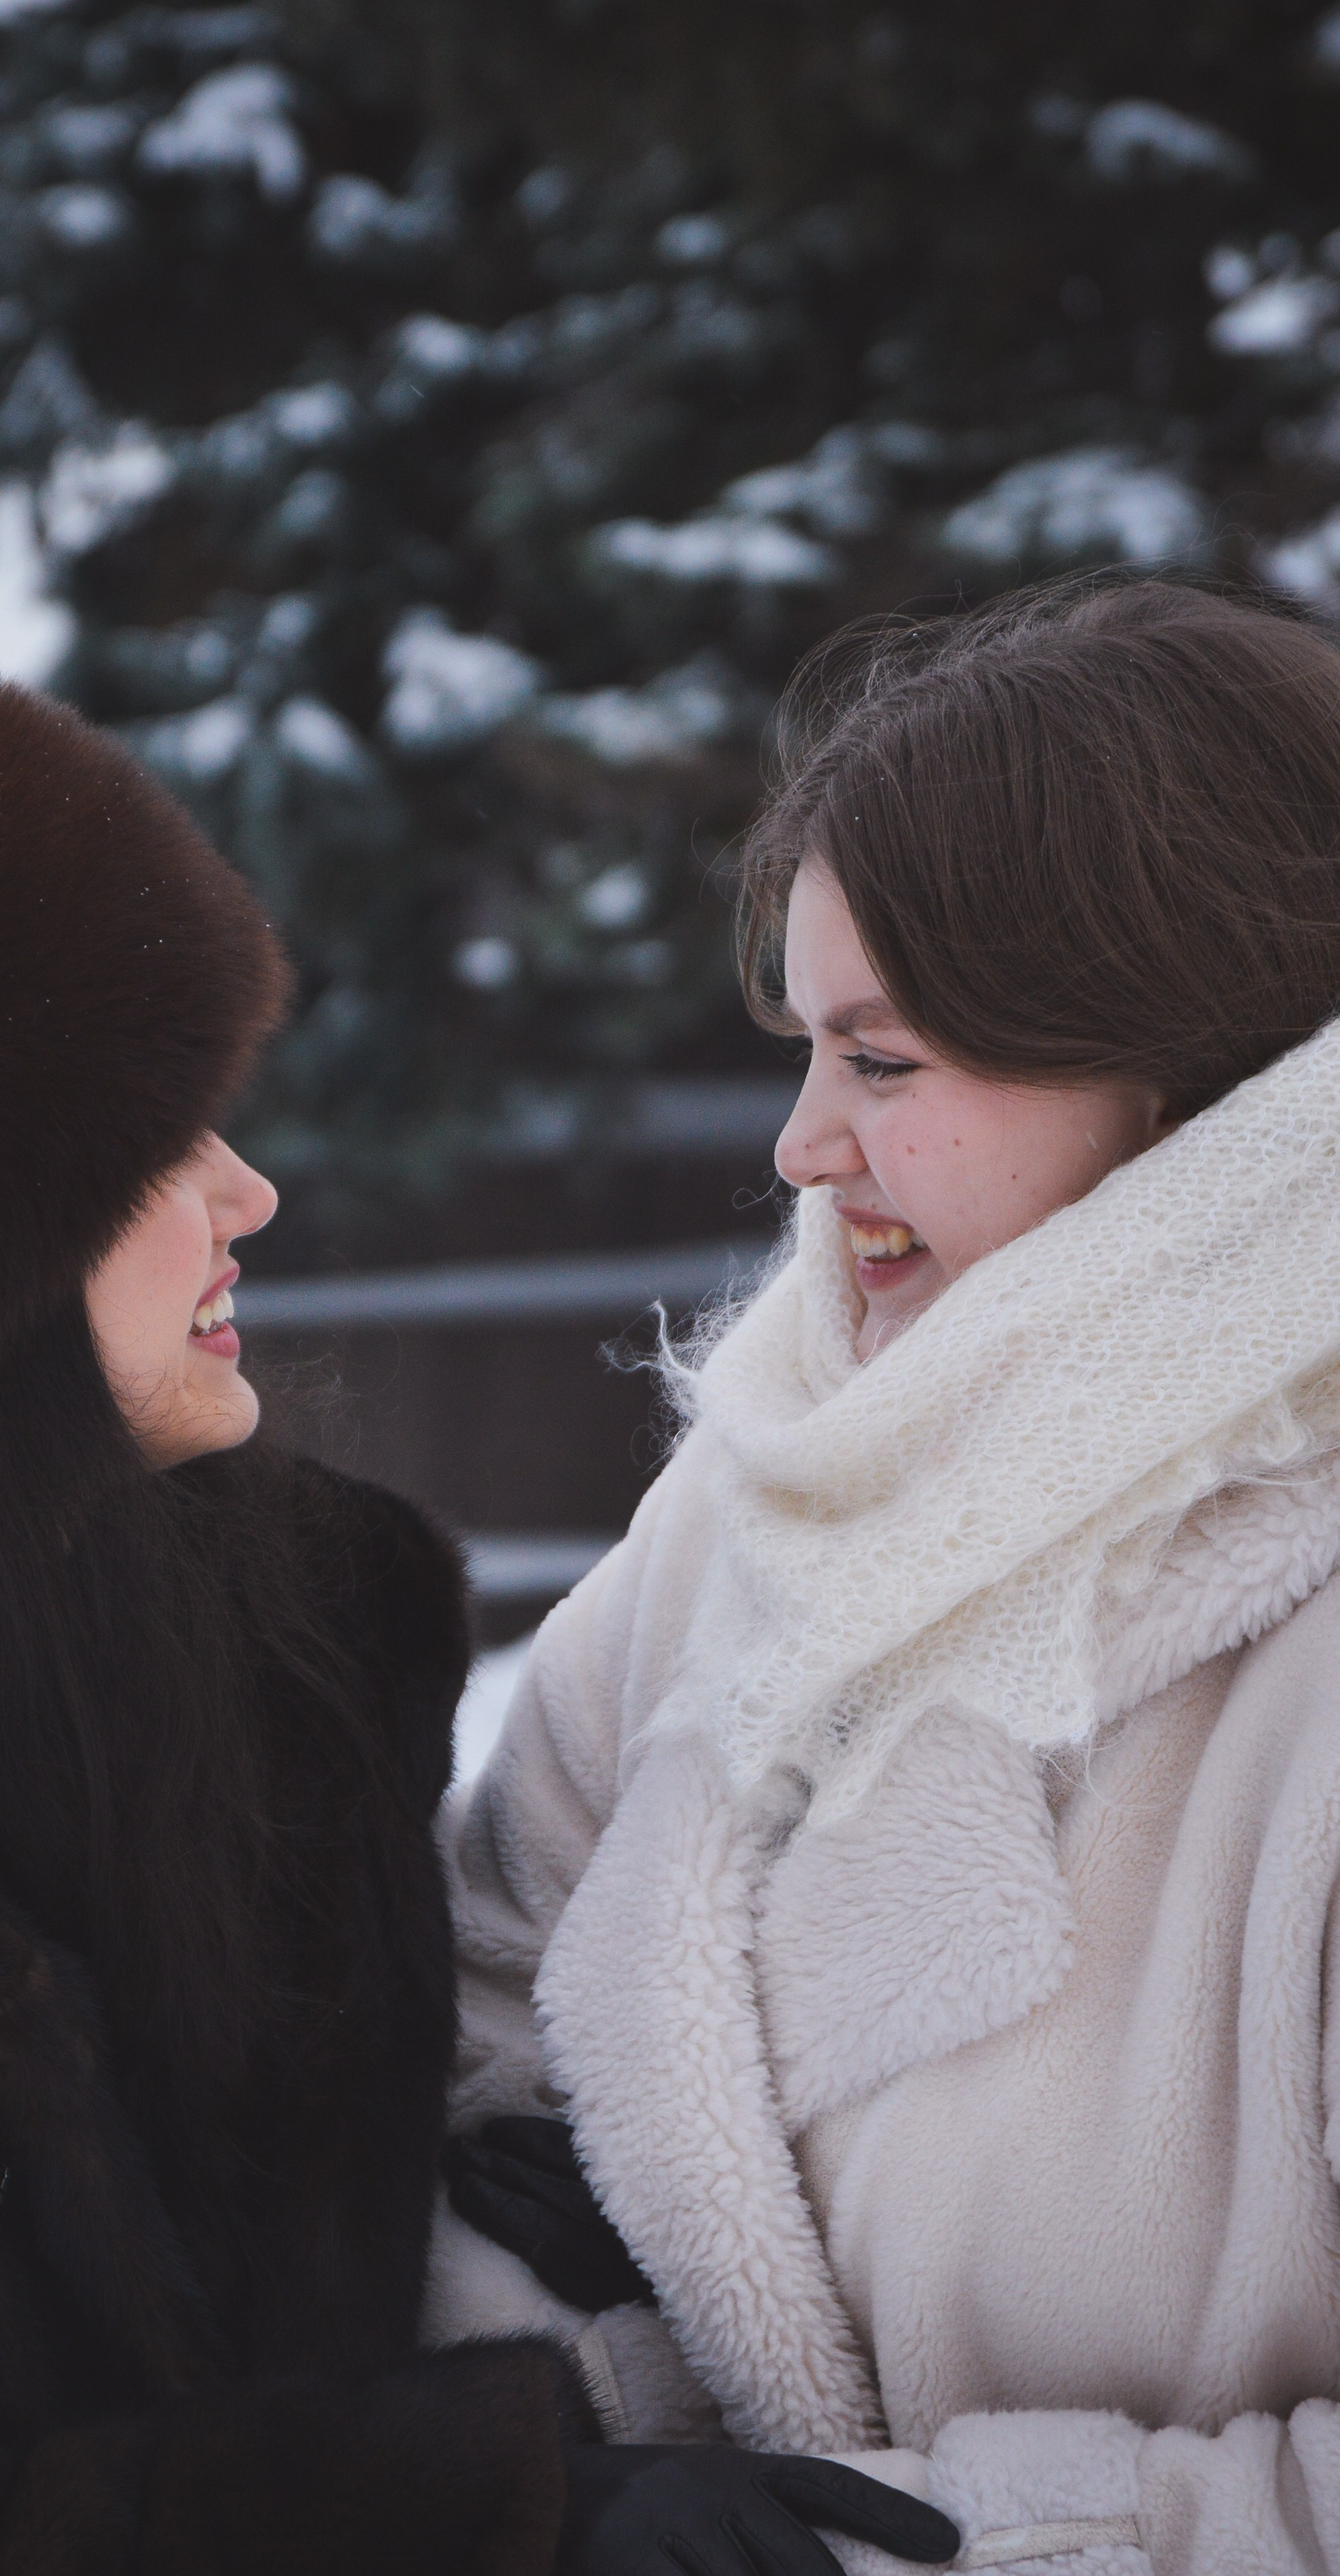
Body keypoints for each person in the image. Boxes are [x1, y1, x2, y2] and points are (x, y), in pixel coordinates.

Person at [0, 660, 953, 2576]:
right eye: (154, 1150)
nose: (247, 1191)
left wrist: (483, 2201)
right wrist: (491, 2517)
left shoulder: (267, 1671)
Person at [433, 576, 1340, 2573]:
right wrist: (571, 2413)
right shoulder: (769, 1502)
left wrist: (914, 2552)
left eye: (886, 1060)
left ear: (1187, 1075)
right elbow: (481, 2024)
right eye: (802, 1048)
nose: (800, 1147)